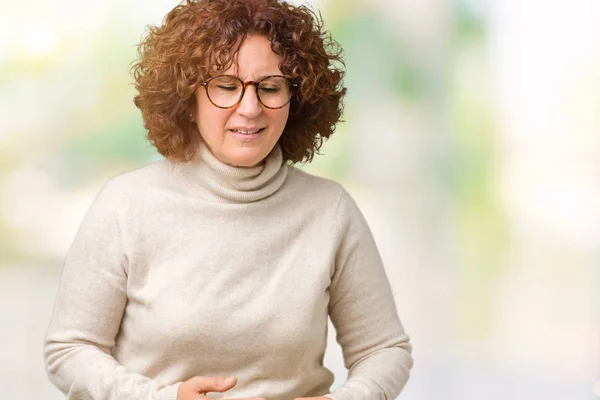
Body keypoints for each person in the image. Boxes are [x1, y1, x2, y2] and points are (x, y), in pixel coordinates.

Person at [43, 0, 413, 399]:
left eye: (270, 88)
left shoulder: (330, 211)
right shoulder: (125, 206)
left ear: (296, 97)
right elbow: (70, 350)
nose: (250, 108)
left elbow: (385, 350)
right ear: (188, 96)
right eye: (225, 86)